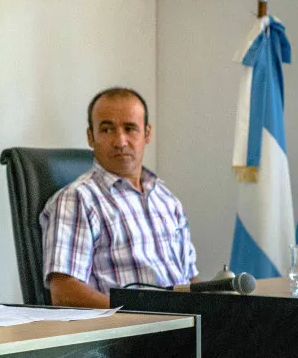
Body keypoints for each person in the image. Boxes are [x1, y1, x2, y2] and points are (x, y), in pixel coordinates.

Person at [39, 87, 199, 308]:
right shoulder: (77, 199)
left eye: (130, 128)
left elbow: (189, 279)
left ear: (147, 133)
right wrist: (141, 316)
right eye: (106, 129)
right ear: (90, 137)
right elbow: (65, 292)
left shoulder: (166, 200)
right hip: (129, 334)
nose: (120, 141)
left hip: (184, 329)